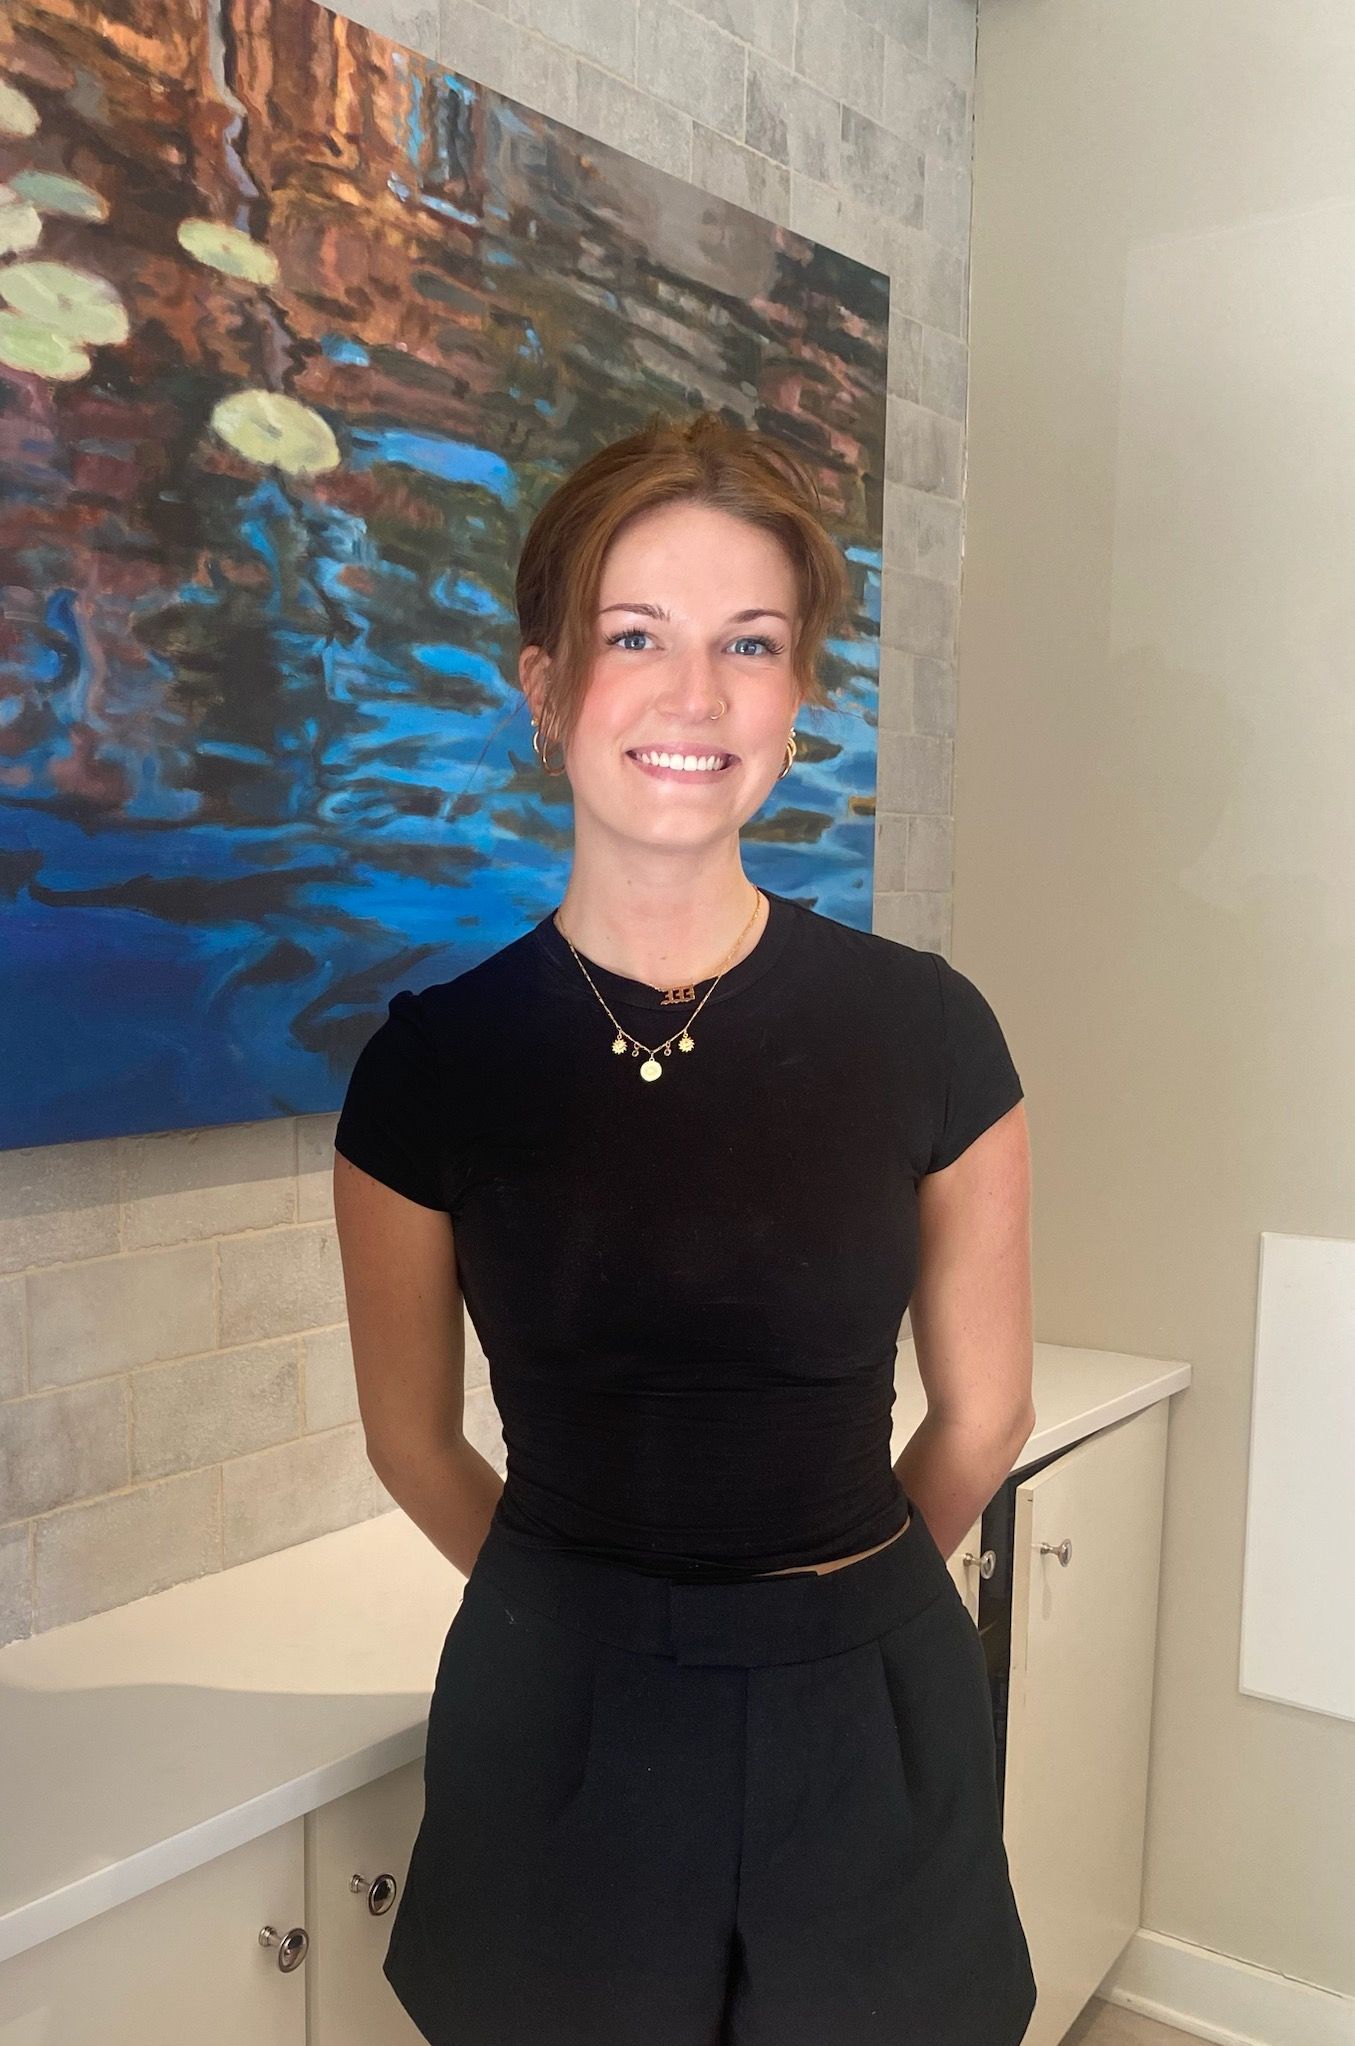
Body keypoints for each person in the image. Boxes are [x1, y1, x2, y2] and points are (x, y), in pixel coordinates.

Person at [332, 410, 1037, 2046]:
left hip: (867, 1715)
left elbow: (987, 1408)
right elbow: (412, 1439)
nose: (694, 696)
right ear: (546, 685)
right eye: (634, 636)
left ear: (798, 705)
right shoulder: (433, 1066)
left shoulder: (931, 1034)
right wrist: (594, 1617)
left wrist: (821, 1616)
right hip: (553, 1717)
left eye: (751, 645)